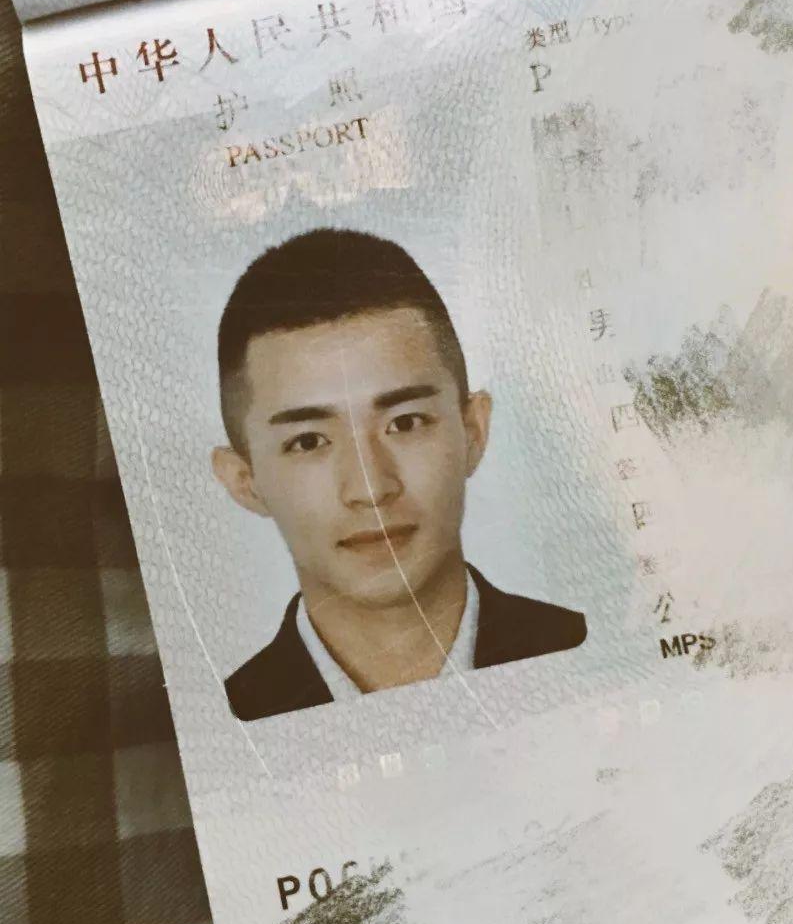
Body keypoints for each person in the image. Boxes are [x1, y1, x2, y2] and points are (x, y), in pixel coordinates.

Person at [212, 228, 586, 721]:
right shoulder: (224, 721)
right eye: (308, 442)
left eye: (405, 423)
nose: (370, 488)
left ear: (473, 432)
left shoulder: (587, 653)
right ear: (245, 482)